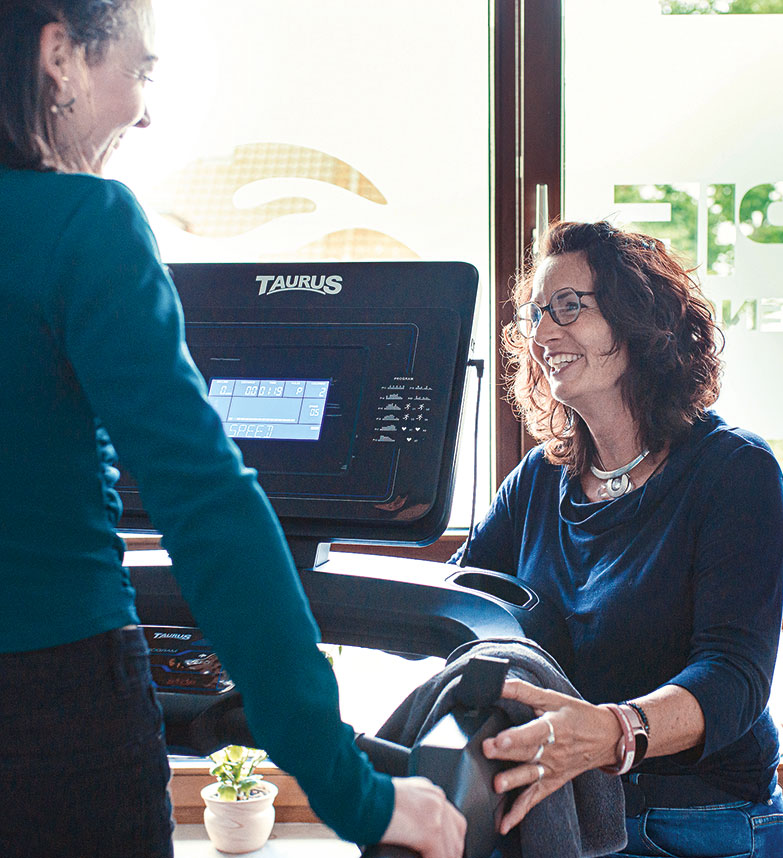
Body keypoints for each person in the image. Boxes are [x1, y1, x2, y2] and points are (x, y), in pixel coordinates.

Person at [0, 2, 466, 857]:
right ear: (58, 55)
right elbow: (208, 507)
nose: (145, 111)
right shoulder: (82, 224)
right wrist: (355, 794)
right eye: (139, 71)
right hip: (52, 718)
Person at [451, 221, 783, 857]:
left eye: (569, 307)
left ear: (639, 320)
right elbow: (460, 607)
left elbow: (734, 678)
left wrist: (613, 733)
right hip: (565, 808)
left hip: (700, 820)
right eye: (537, 314)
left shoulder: (733, 471)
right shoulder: (538, 479)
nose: (545, 332)